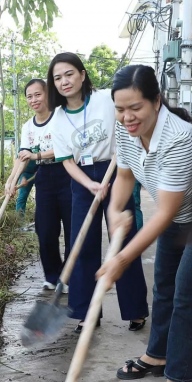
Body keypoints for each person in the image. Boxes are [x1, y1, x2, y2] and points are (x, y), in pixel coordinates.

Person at [97, 65, 192, 382]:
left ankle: (178, 377)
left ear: (157, 101)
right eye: (120, 109)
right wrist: (115, 211)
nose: (127, 117)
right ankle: (156, 355)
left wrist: (122, 259)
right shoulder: (126, 130)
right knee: (164, 285)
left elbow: (165, 213)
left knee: (189, 290)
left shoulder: (180, 138)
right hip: (175, 212)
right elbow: (126, 176)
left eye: (136, 108)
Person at [48, 52, 149, 333]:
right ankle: (85, 313)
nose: (64, 81)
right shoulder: (58, 118)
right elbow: (67, 160)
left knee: (123, 239)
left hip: (118, 171)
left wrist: (122, 158)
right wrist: (90, 184)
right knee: (82, 246)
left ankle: (136, 310)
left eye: (69, 74)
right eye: (57, 78)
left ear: (82, 74)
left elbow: (129, 121)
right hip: (82, 181)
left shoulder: (105, 98)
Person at [10, 78, 72, 291]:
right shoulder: (28, 126)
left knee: (73, 229)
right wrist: (11, 181)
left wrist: (36, 155)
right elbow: (22, 156)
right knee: (45, 229)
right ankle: (52, 275)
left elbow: (67, 148)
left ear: (47, 94)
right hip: (44, 177)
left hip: (69, 173)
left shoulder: (62, 116)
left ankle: (69, 276)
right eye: (29, 96)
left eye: (38, 94)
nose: (33, 99)